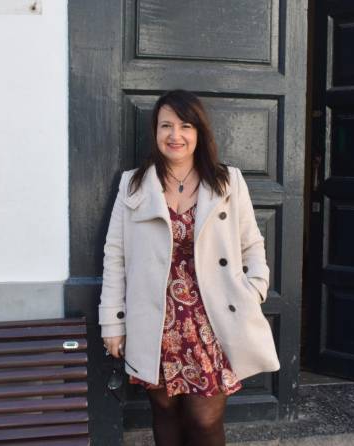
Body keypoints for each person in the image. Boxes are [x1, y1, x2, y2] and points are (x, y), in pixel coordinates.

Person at [99, 89, 279, 446]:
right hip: (155, 319)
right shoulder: (134, 185)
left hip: (210, 319)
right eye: (166, 125)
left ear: (199, 131)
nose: (175, 135)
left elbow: (252, 243)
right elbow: (115, 256)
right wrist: (113, 323)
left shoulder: (227, 181)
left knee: (204, 419)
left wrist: (254, 289)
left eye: (185, 126)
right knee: (164, 412)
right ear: (155, 131)